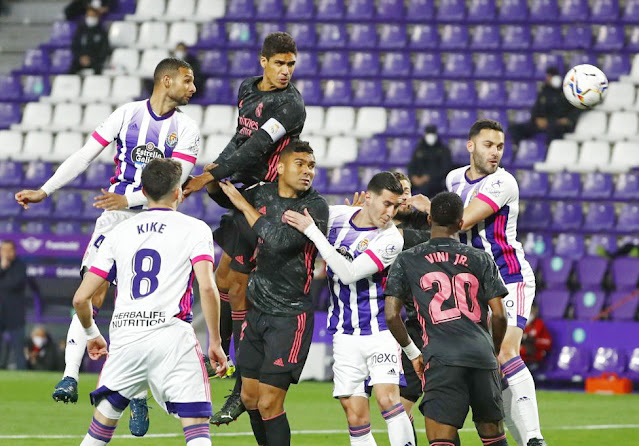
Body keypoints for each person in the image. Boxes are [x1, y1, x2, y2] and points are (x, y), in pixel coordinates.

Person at [15, 58, 200, 436]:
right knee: (91, 293)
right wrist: (45, 190)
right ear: (166, 81)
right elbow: (85, 155)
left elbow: (174, 180)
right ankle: (69, 375)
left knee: (139, 309)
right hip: (115, 222)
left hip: (156, 220)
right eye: (187, 80)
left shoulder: (187, 129)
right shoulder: (127, 114)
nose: (193, 87)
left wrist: (127, 201)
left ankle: (136, 394)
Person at [184, 31, 306, 425]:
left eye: (291, 64)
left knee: (236, 287)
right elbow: (241, 137)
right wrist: (212, 171)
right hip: (242, 194)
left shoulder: (291, 106)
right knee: (222, 282)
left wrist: (211, 176)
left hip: (268, 198)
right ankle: (222, 358)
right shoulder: (246, 90)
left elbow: (257, 149)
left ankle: (239, 384)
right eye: (279, 63)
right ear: (263, 62)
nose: (286, 71)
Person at [408, 120, 546, 446]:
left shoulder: (504, 182)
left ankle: (535, 438)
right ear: (471, 146)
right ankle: (518, 437)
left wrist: (426, 205)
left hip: (509, 276)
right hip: (474, 286)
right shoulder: (454, 178)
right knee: (489, 366)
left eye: (499, 146)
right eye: (488, 145)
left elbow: (461, 221)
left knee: (506, 353)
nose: (495, 152)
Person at [72, 158, 227, 446]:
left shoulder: (118, 233)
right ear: (179, 192)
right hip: (172, 337)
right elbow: (207, 287)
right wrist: (215, 342)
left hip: (125, 337)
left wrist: (93, 335)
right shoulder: (195, 229)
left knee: (98, 433)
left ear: (143, 192)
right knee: (196, 431)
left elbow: (81, 297)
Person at [285, 172, 415, 446]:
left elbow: (348, 272)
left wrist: (313, 232)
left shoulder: (391, 239)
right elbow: (298, 214)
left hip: (380, 330)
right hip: (344, 333)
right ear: (368, 198)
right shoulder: (338, 216)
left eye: (395, 206)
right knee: (354, 414)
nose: (390, 212)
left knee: (388, 399)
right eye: (386, 204)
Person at [212, 140, 328, 445]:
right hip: (256, 312)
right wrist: (211, 177)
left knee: (269, 403)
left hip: (290, 317)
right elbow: (223, 196)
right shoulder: (260, 194)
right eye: (300, 164)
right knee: (250, 399)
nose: (307, 172)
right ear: (280, 167)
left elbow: (278, 240)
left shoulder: (314, 206)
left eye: (311, 166)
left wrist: (243, 205)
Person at [385, 191, 510, 446]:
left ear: (429, 219)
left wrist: (413, 353)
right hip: (481, 357)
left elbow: (391, 314)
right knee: (494, 437)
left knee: (442, 440)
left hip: (441, 358)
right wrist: (493, 351)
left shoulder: (408, 258)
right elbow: (499, 314)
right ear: (461, 222)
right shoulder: (480, 258)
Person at [509, 66, 580, 147]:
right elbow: (536, 109)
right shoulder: (544, 91)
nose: (547, 78)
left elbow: (574, 110)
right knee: (515, 128)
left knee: (553, 129)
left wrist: (565, 120)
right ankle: (517, 149)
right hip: (542, 123)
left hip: (557, 124)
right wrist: (537, 119)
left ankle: (549, 153)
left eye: (550, 76)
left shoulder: (567, 93)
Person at [0, 240, 27, 370]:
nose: (6, 253)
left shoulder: (20, 266)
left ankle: (22, 374)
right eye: (3, 249)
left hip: (15, 314)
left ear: (14, 251)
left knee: (18, 349)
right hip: (1, 312)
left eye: (9, 250)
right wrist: (2, 268)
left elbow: (15, 284)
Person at [407, 125, 453, 198]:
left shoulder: (443, 150)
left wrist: (428, 177)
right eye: (428, 134)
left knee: (428, 188)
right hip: (418, 180)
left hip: (435, 182)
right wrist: (413, 177)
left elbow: (445, 168)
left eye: (432, 134)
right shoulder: (419, 149)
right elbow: (412, 165)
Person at [70, 7, 111, 75]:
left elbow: (105, 49)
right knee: (71, 70)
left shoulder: (101, 32)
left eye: (93, 16)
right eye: (89, 16)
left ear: (97, 17)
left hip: (95, 60)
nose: (91, 18)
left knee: (98, 70)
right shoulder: (80, 30)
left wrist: (92, 59)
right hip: (81, 59)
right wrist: (80, 57)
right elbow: (74, 46)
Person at [520, 305, 552, 369]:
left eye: (530, 311)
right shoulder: (520, 323)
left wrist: (525, 337)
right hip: (521, 359)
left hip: (535, 359)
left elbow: (531, 337)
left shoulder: (538, 323)